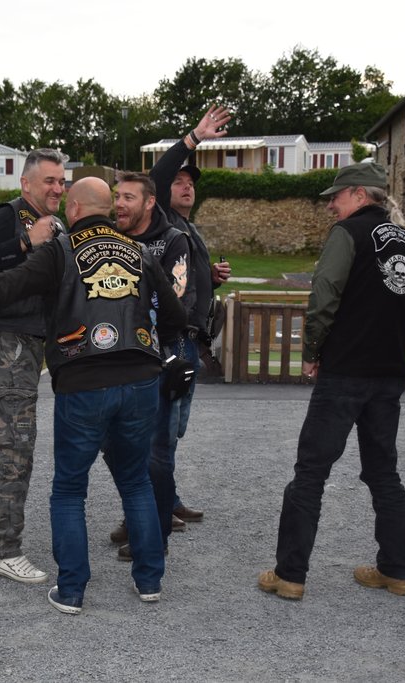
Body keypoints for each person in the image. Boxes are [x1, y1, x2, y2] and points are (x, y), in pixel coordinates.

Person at [0, 177, 187, 614]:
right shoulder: (139, 251)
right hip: (140, 378)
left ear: (74, 209)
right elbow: (174, 314)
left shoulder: (61, 251)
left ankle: (72, 589)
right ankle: (149, 580)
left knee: (70, 489)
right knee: (135, 481)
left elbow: (1, 286)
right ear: (107, 209)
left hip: (84, 380)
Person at [258, 161, 405, 600]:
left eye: (336, 196)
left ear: (359, 194)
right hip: (389, 372)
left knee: (310, 473)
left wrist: (312, 352)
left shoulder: (347, 234)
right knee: (384, 474)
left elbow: (324, 294)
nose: (331, 204)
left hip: (346, 369)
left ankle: (290, 575)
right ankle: (398, 572)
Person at [0, 148, 66, 584]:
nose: (57, 188)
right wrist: (25, 242)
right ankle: (6, 550)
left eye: (61, 181)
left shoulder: (56, 223)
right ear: (26, 184)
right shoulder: (9, 216)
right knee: (16, 443)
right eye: (49, 181)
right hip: (5, 341)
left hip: (28, 342)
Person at [143, 105, 232, 528]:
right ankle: (149, 510)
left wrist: (209, 278)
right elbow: (156, 176)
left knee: (173, 430)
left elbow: (184, 281)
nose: (185, 187)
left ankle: (168, 498)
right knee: (161, 431)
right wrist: (193, 139)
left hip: (192, 339)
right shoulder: (161, 220)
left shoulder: (187, 229)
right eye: (178, 182)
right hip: (171, 341)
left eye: (190, 183)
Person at [106, 171, 192, 560]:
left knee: (157, 451)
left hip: (159, 357)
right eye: (117, 197)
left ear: (149, 202)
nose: (119, 204)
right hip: (117, 357)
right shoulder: (110, 238)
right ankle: (137, 515)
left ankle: (154, 536)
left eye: (128, 197)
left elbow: (175, 301)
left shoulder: (173, 241)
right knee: (117, 446)